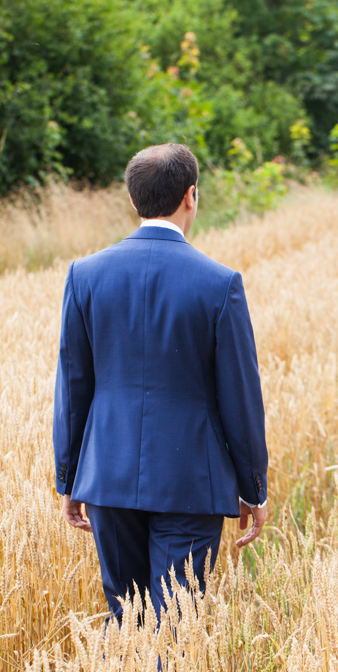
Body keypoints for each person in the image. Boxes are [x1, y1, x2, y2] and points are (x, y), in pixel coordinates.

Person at [53, 142, 268, 623]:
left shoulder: (84, 276)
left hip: (107, 476)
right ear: (191, 195)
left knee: (126, 618)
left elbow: (73, 386)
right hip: (193, 481)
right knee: (176, 626)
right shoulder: (220, 283)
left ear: (133, 201)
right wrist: (254, 487)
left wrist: (68, 477)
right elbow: (241, 396)